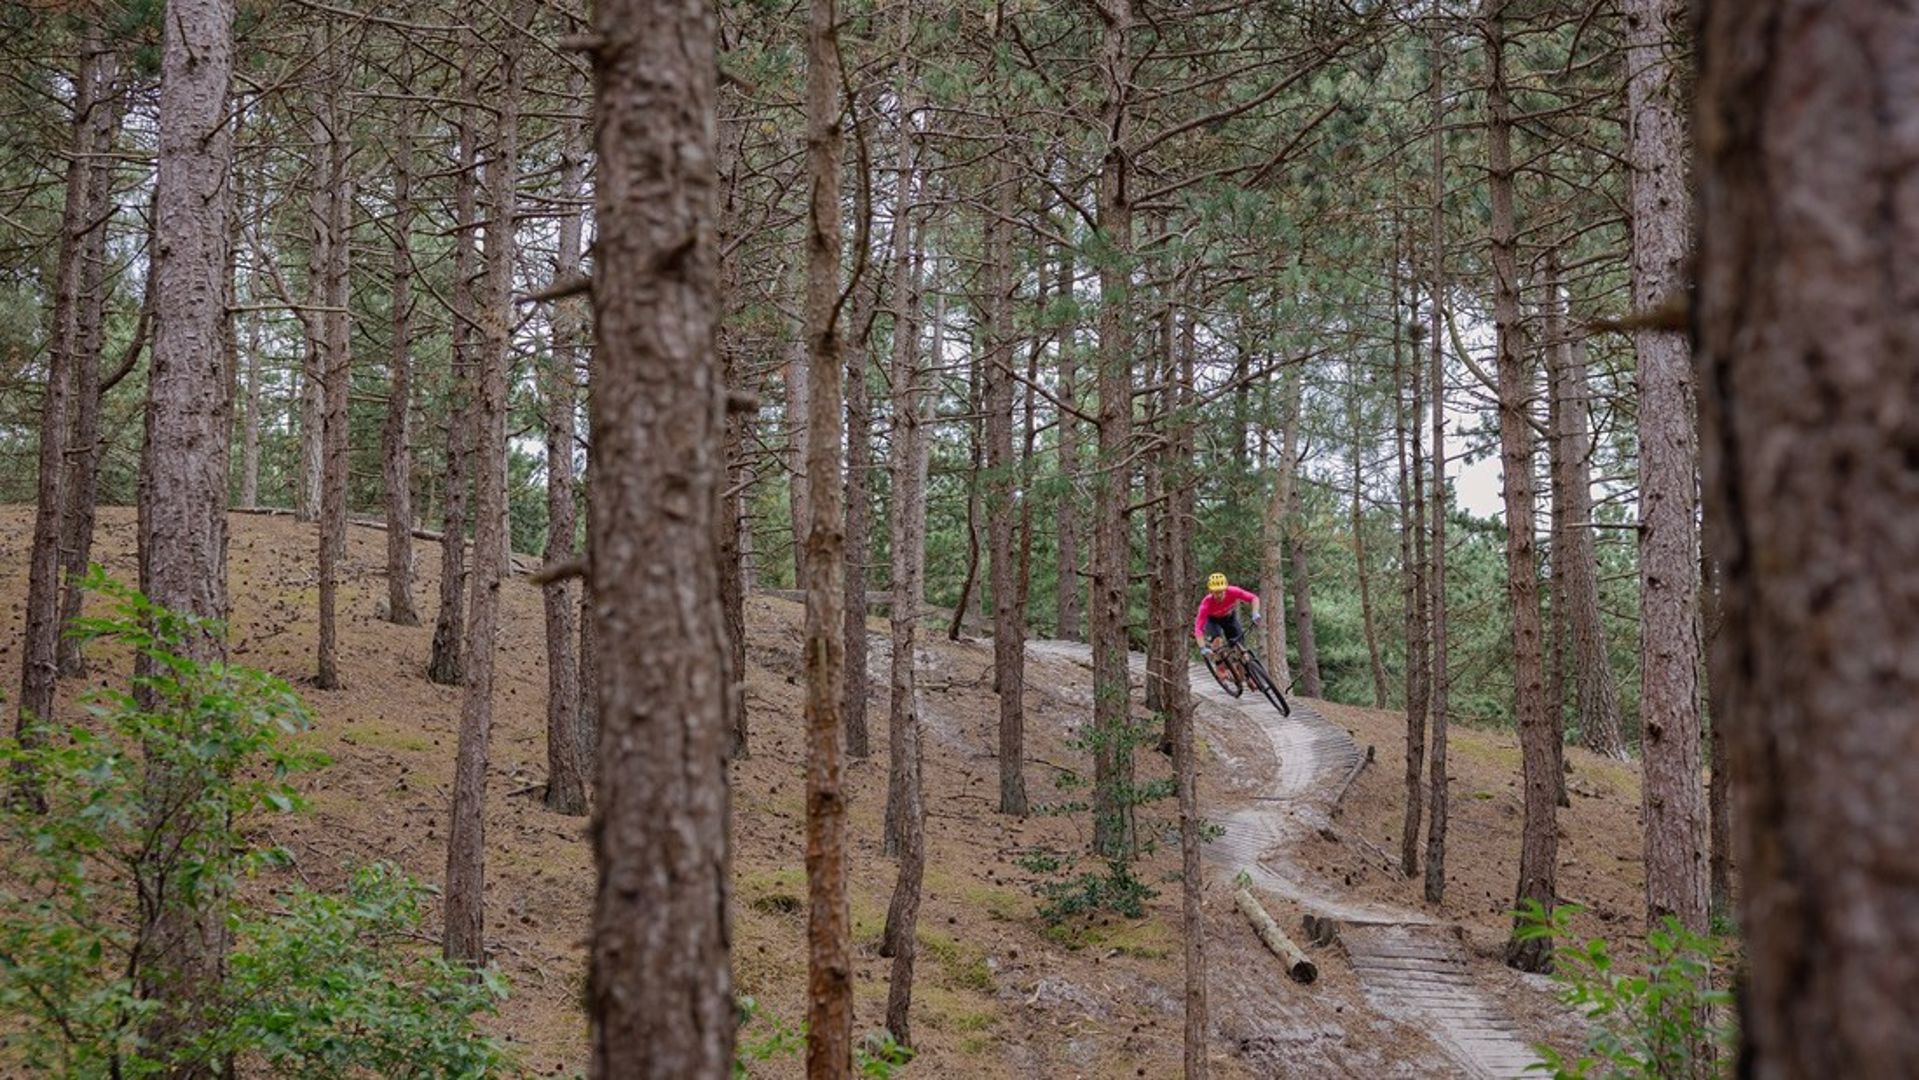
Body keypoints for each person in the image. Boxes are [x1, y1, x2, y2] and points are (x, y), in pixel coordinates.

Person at [1193, 572, 1261, 663]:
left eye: (1221, 592)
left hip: (1229, 618)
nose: (1219, 595)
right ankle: (1220, 666)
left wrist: (1255, 613)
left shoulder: (1233, 591)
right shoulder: (1206, 604)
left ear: (1225, 589)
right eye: (1216, 592)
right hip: (1213, 621)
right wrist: (1202, 647)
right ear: (1211, 592)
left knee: (1241, 650)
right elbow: (1198, 628)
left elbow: (1253, 598)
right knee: (1217, 642)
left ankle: (1245, 669)